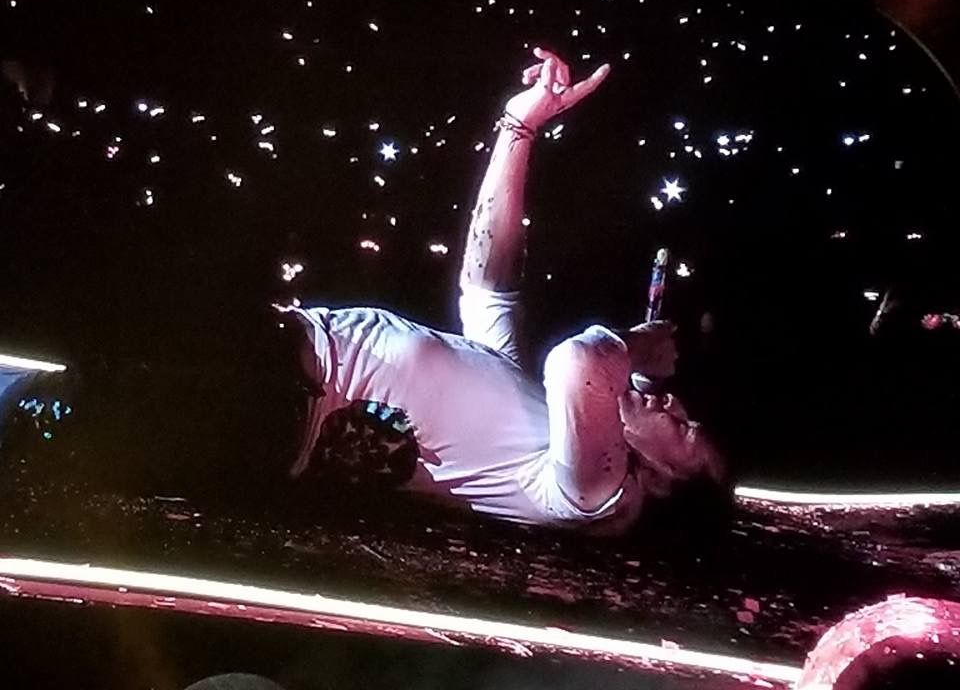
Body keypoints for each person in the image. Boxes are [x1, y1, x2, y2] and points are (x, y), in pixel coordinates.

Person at [273, 49, 725, 535]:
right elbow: (487, 285)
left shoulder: (596, 492)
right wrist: (519, 127)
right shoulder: (536, 424)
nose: (674, 405)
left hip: (282, 394)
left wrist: (637, 348)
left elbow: (579, 364)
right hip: (288, 350)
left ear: (660, 482)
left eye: (684, 429)